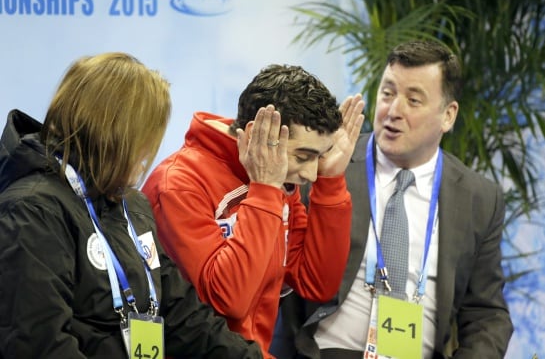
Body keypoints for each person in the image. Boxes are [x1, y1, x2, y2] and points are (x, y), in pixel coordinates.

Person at [0, 52, 264, 358]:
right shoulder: (33, 210)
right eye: (143, 138)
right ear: (112, 134)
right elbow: (37, 343)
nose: (145, 154)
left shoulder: (130, 205)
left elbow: (182, 315)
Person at [274, 40, 514, 358]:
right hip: (330, 351)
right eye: (387, 93)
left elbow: (487, 313)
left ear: (448, 115)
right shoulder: (324, 164)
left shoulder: (479, 199)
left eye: (413, 100)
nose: (393, 111)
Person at [142, 64, 365, 358]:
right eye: (303, 156)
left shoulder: (276, 180)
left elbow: (316, 283)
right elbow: (229, 301)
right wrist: (265, 190)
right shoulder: (178, 185)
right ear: (259, 134)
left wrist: (331, 182)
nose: (312, 173)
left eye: (319, 157)